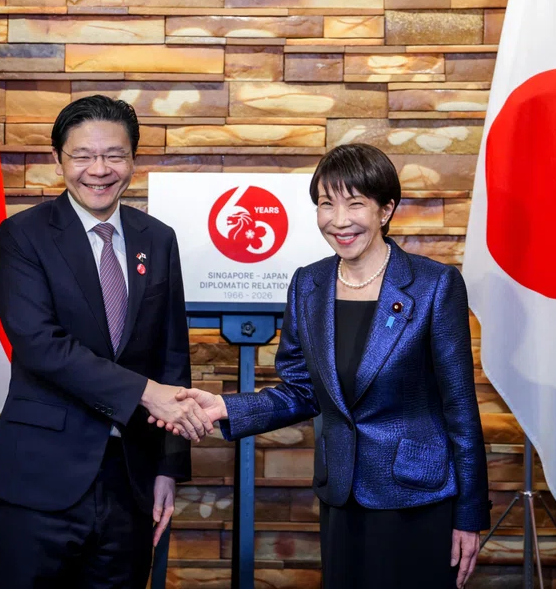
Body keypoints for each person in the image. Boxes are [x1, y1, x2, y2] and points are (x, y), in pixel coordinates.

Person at [164, 143, 490, 588]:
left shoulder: (434, 285)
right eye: (326, 204)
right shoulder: (308, 284)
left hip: (418, 498)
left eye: (355, 203)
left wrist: (470, 514)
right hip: (342, 493)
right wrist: (226, 407)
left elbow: (461, 409)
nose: (339, 220)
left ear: (385, 209)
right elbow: (302, 390)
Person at [0, 95, 214, 588]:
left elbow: (173, 355)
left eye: (114, 155)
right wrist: (144, 393)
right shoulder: (23, 236)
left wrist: (169, 468)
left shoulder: (159, 238)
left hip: (130, 479)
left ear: (133, 159)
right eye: (83, 155)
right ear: (58, 159)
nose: (99, 169)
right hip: (41, 475)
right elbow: (41, 345)